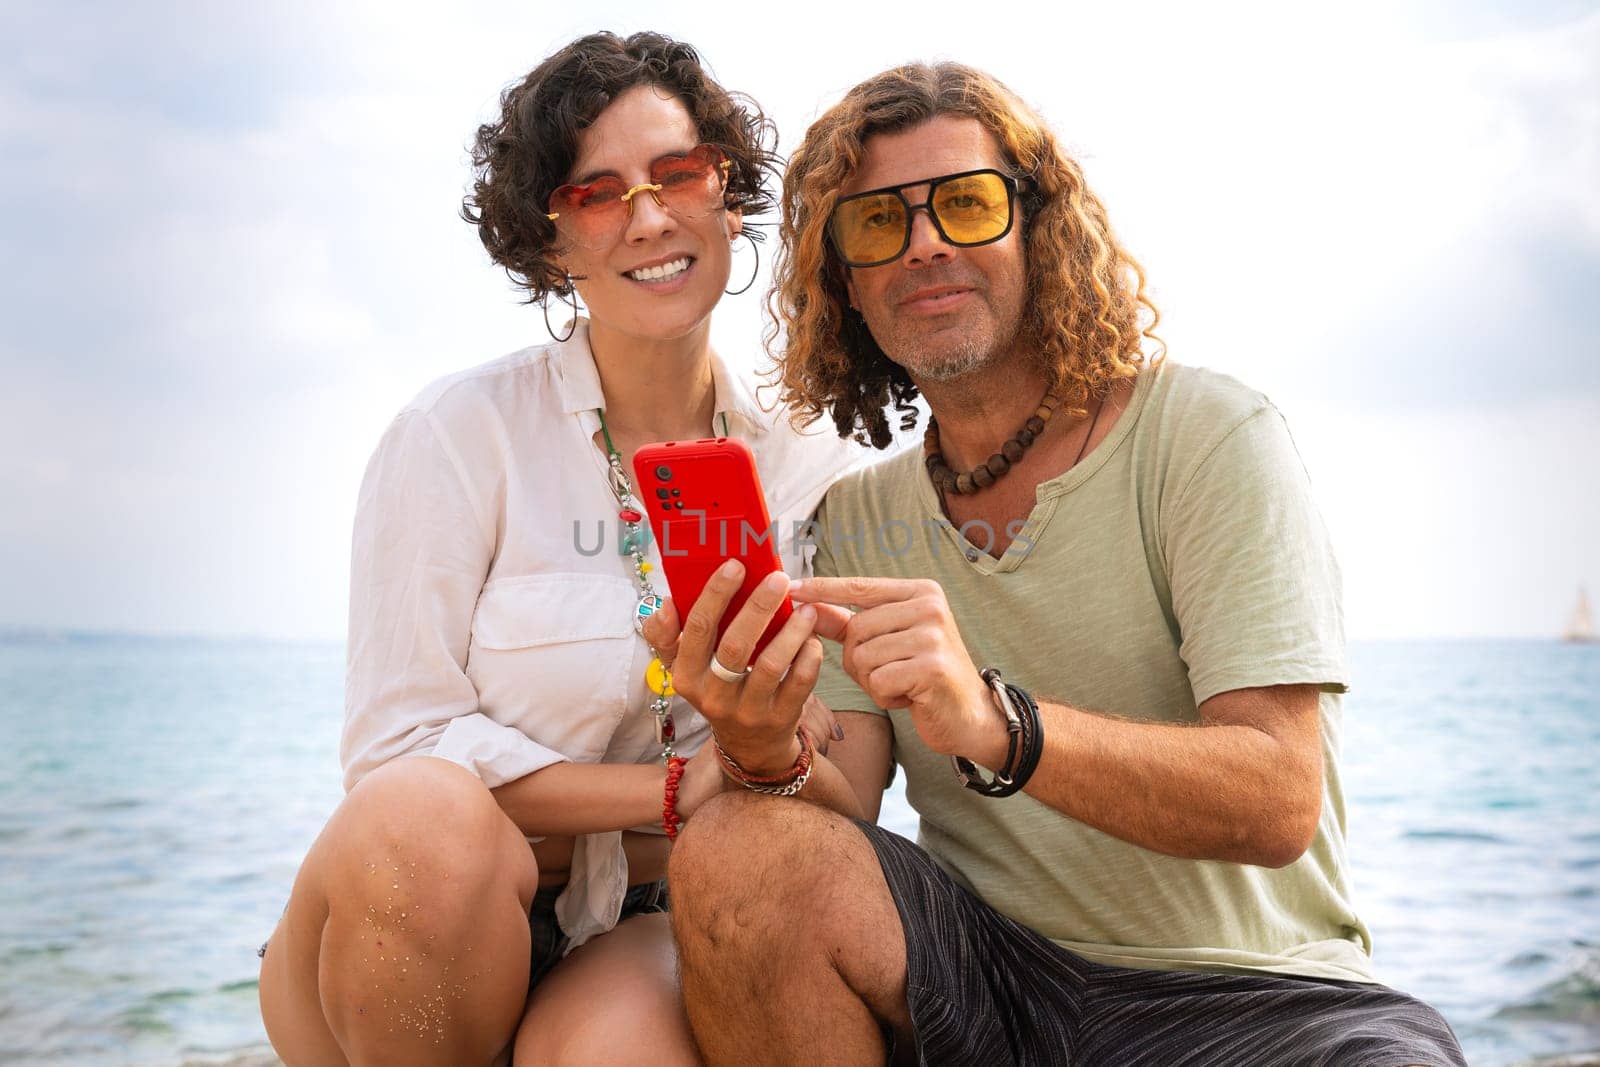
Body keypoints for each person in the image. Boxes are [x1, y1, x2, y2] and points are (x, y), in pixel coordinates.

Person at [646, 62, 1468, 1065]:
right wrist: (757, 743)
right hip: (993, 982)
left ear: (1037, 227)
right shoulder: (858, 516)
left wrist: (998, 723)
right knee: (736, 844)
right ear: (844, 285)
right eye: (875, 225)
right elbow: (838, 809)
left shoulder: (1207, 435)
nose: (926, 245)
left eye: (966, 203)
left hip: (1258, 998)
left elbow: (1277, 798)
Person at [256, 32, 856, 1066]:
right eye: (597, 193)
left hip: (638, 915)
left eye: (679, 174)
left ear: (728, 194)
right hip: (418, 908)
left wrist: (753, 757)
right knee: (425, 810)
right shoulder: (457, 433)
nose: (650, 216)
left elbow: (832, 773)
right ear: (548, 244)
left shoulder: (809, 470)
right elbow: (399, 751)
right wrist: (673, 790)